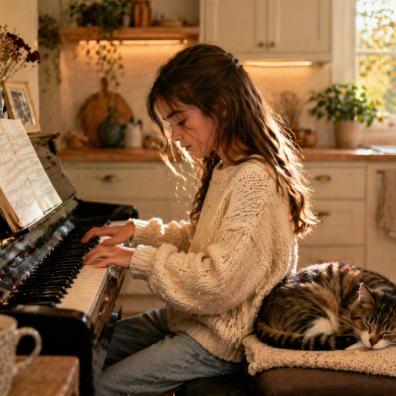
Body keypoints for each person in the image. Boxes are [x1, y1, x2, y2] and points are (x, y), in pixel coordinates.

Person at [82, 43, 318, 395]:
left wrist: (137, 259)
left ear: (220, 109)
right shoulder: (229, 166)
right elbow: (202, 239)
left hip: (222, 339)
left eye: (181, 121)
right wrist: (139, 232)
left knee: (105, 386)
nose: (175, 136)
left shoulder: (255, 179)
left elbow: (217, 280)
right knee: (82, 350)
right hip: (194, 320)